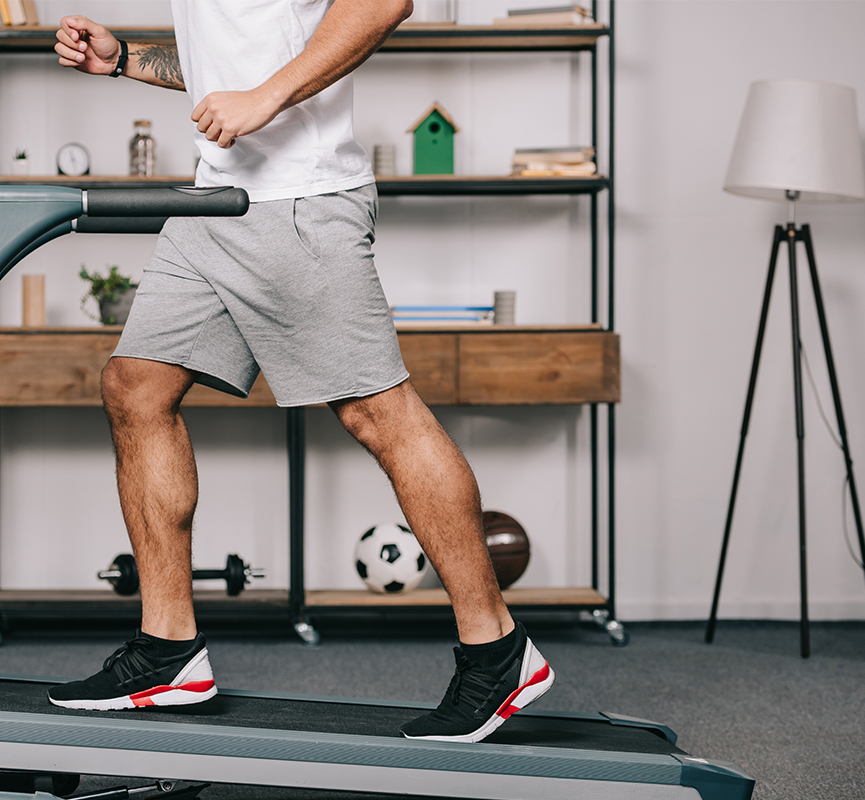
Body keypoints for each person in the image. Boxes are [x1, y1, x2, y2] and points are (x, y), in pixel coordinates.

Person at [46, 0, 554, 743]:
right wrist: (126, 59)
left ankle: (497, 651)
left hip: (299, 205)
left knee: (379, 415)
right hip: (213, 202)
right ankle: (167, 652)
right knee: (136, 385)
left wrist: (266, 99)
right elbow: (237, 60)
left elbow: (383, 3)